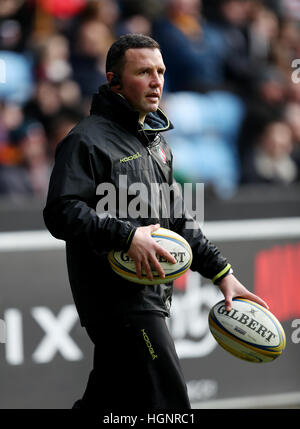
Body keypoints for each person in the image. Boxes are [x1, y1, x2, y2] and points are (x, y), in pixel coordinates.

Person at [43, 34, 268, 410]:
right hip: (119, 302)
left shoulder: (157, 144)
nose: (156, 81)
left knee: (109, 403)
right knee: (170, 402)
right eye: (143, 71)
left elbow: (178, 220)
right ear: (114, 81)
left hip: (149, 296)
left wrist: (222, 274)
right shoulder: (85, 140)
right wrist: (126, 236)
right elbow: (61, 212)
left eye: (160, 71)